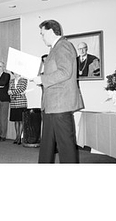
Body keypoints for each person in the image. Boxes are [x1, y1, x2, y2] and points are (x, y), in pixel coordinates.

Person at [33, 20, 84, 163]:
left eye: (42, 34)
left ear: (50, 31)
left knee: (65, 147)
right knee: (46, 145)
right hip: (52, 105)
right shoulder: (55, 48)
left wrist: (42, 79)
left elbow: (65, 72)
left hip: (60, 105)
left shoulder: (63, 46)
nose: (42, 37)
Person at [8, 72, 28, 145]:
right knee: (16, 120)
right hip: (13, 102)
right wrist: (11, 92)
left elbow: (21, 89)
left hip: (21, 102)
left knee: (21, 120)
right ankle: (17, 136)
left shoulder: (24, 80)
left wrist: (12, 92)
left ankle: (19, 137)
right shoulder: (11, 81)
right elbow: (9, 90)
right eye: (14, 72)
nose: (15, 73)